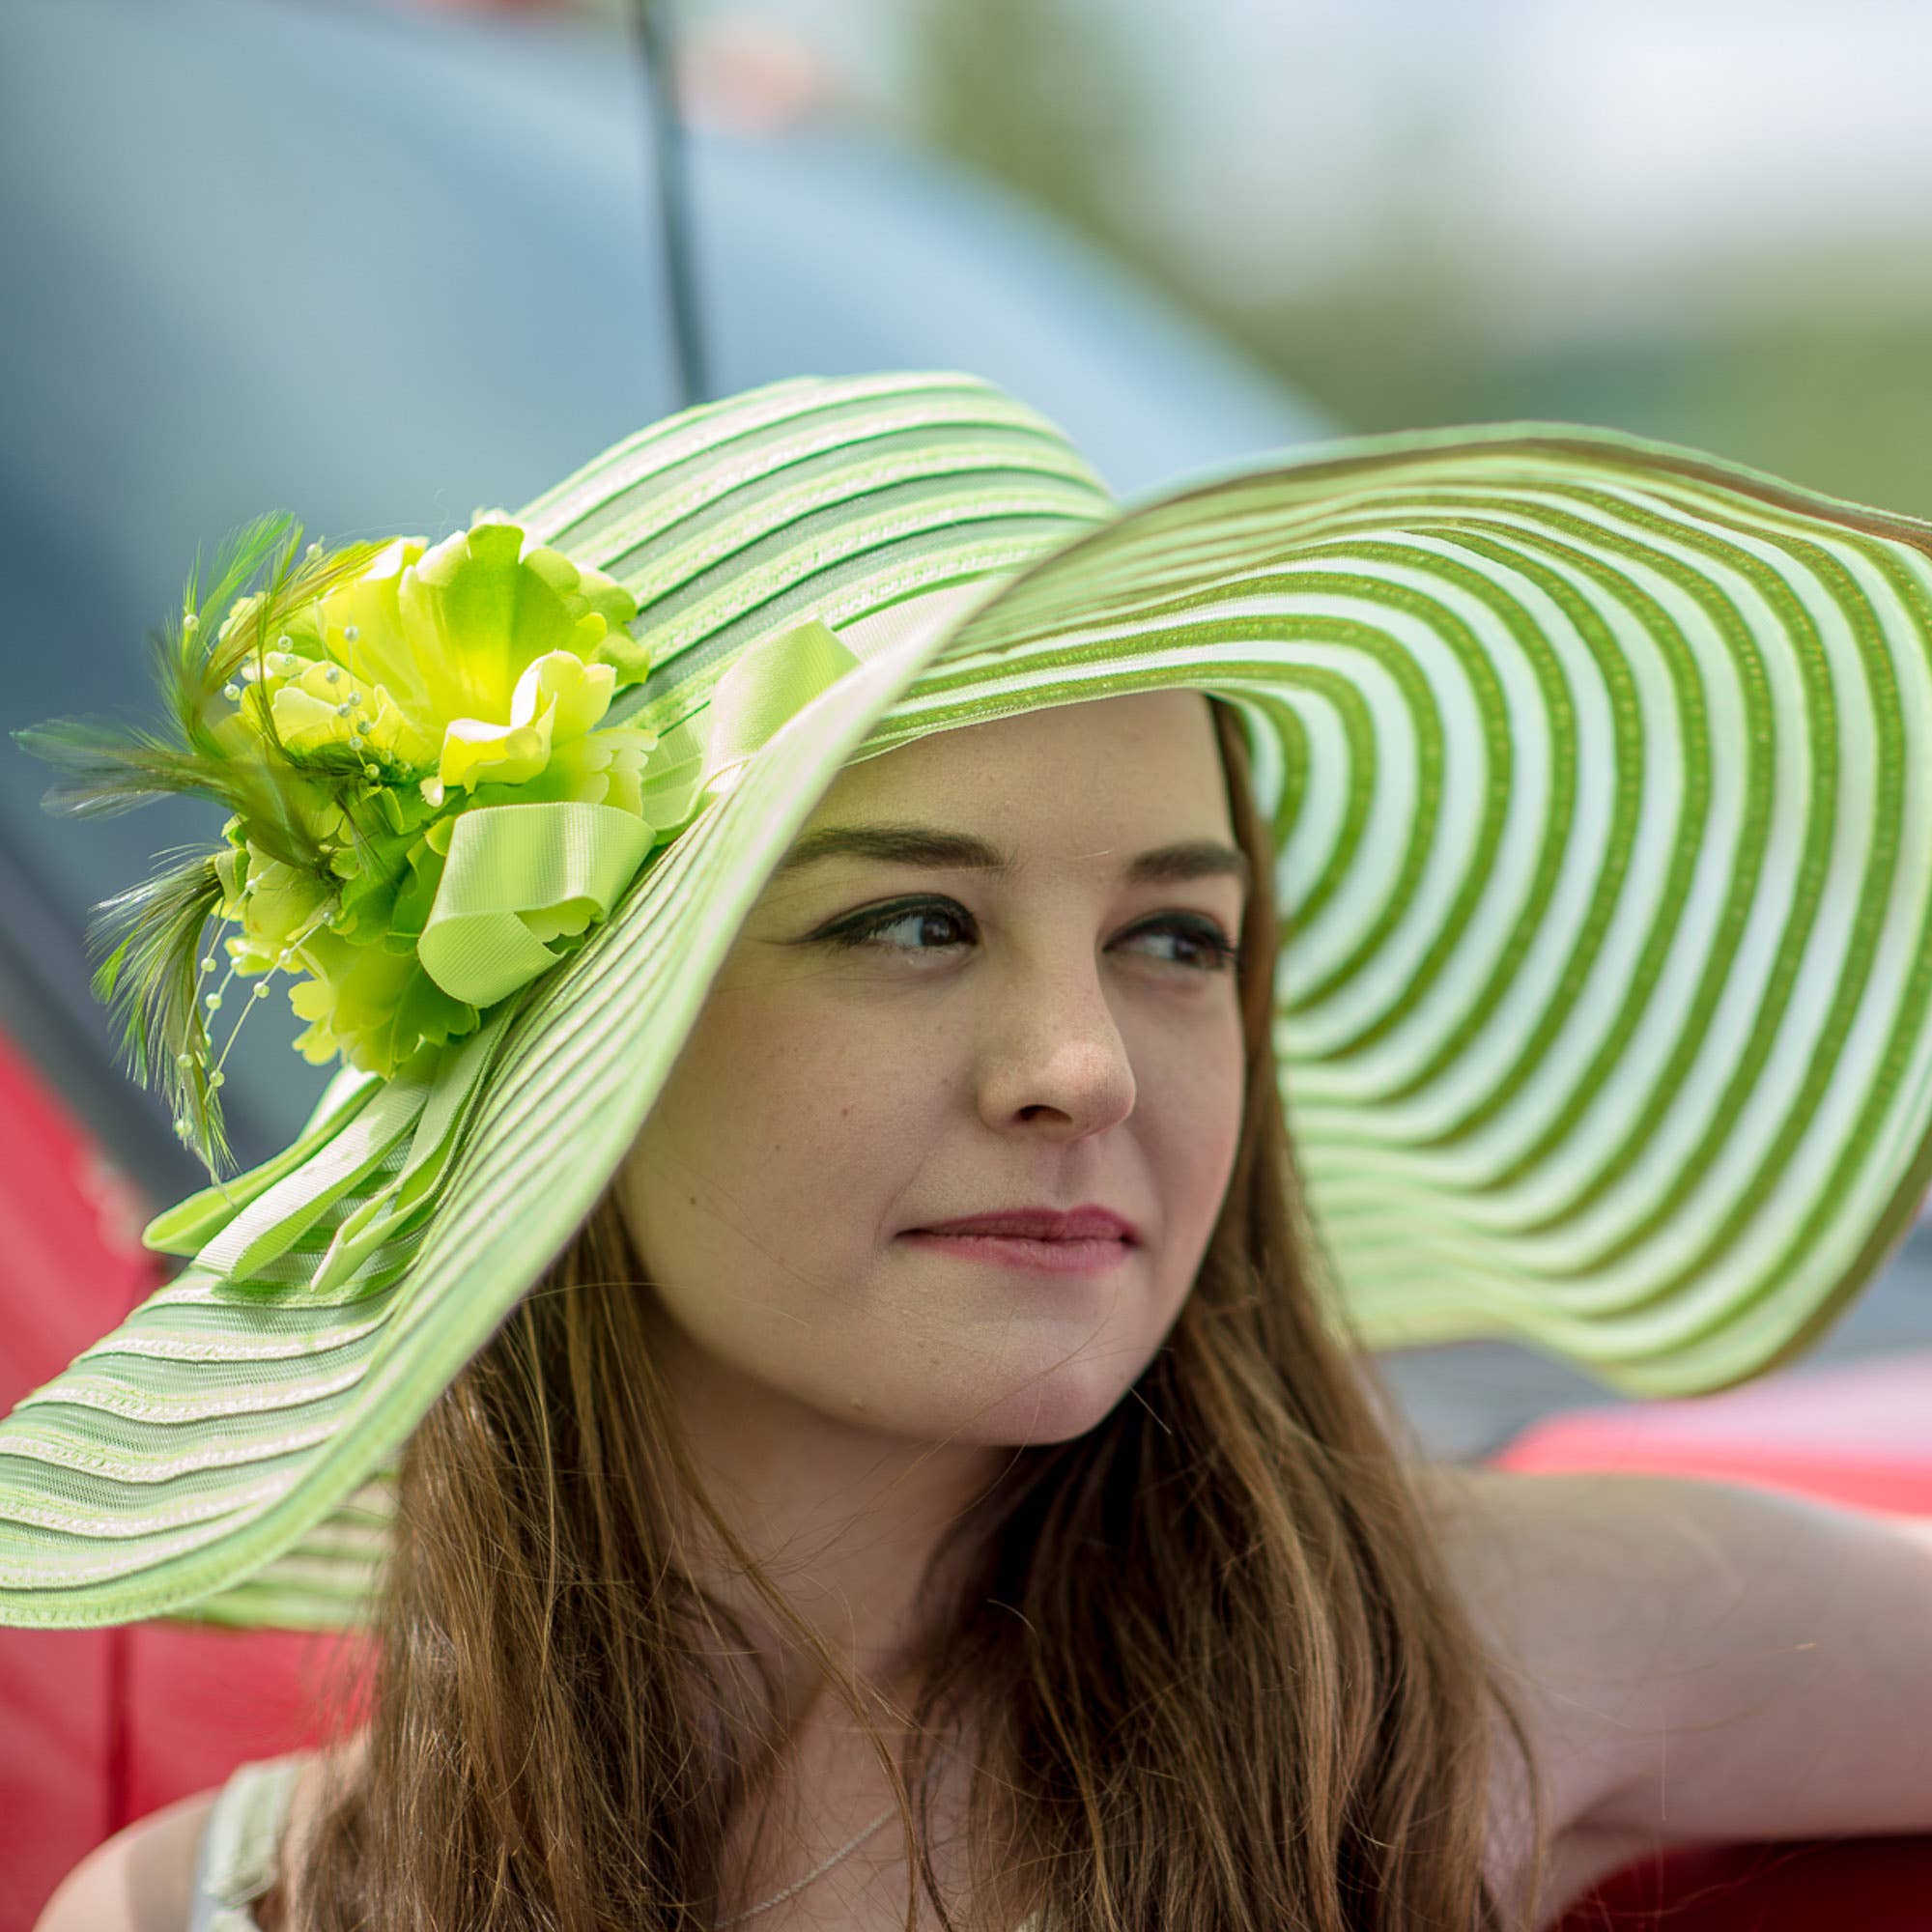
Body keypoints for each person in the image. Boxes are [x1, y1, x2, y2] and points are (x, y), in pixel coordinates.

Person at [16, 373, 1932, 1931]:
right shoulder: (211, 1907)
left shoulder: (1464, 1657)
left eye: (1175, 939)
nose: (1081, 1063)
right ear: (572, 1065)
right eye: (914, 923)